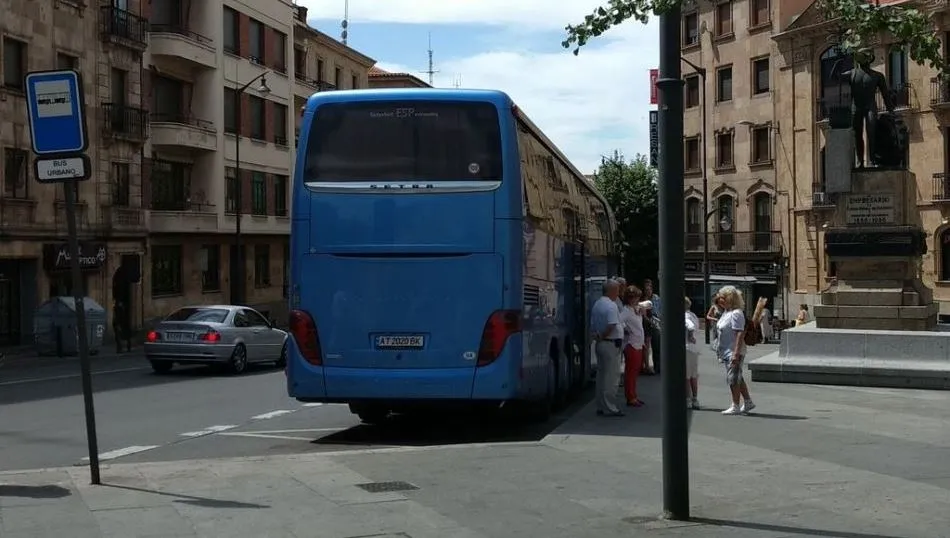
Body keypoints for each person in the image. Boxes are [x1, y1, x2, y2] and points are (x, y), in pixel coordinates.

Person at [716, 285, 756, 415]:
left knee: (733, 379)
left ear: (729, 299)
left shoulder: (736, 313)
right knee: (737, 377)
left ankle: (735, 405)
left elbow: (740, 333)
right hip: (727, 350)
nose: (719, 300)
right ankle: (748, 402)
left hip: (733, 350)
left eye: (722, 298)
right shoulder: (726, 312)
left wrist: (735, 353)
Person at [591, 279, 624, 417]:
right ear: (611, 291)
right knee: (611, 378)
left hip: (601, 344)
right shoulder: (611, 306)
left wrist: (598, 337)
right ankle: (610, 408)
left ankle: (600, 405)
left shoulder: (597, 304)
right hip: (610, 344)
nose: (618, 293)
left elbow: (593, 325)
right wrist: (604, 336)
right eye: (616, 290)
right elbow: (611, 325)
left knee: (601, 376)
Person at [619, 286, 646, 407]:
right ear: (630, 298)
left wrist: (640, 310)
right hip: (632, 344)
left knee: (635, 372)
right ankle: (630, 397)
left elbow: (648, 304)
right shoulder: (626, 310)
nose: (637, 300)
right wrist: (625, 330)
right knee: (630, 372)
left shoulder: (635, 309)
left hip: (638, 343)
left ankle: (633, 395)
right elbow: (618, 321)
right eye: (636, 297)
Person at [684, 297, 701, 409]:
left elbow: (690, 326)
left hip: (687, 348)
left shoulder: (685, 315)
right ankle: (694, 399)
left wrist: (690, 335)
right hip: (694, 349)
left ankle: (688, 399)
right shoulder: (693, 315)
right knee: (693, 375)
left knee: (686, 376)